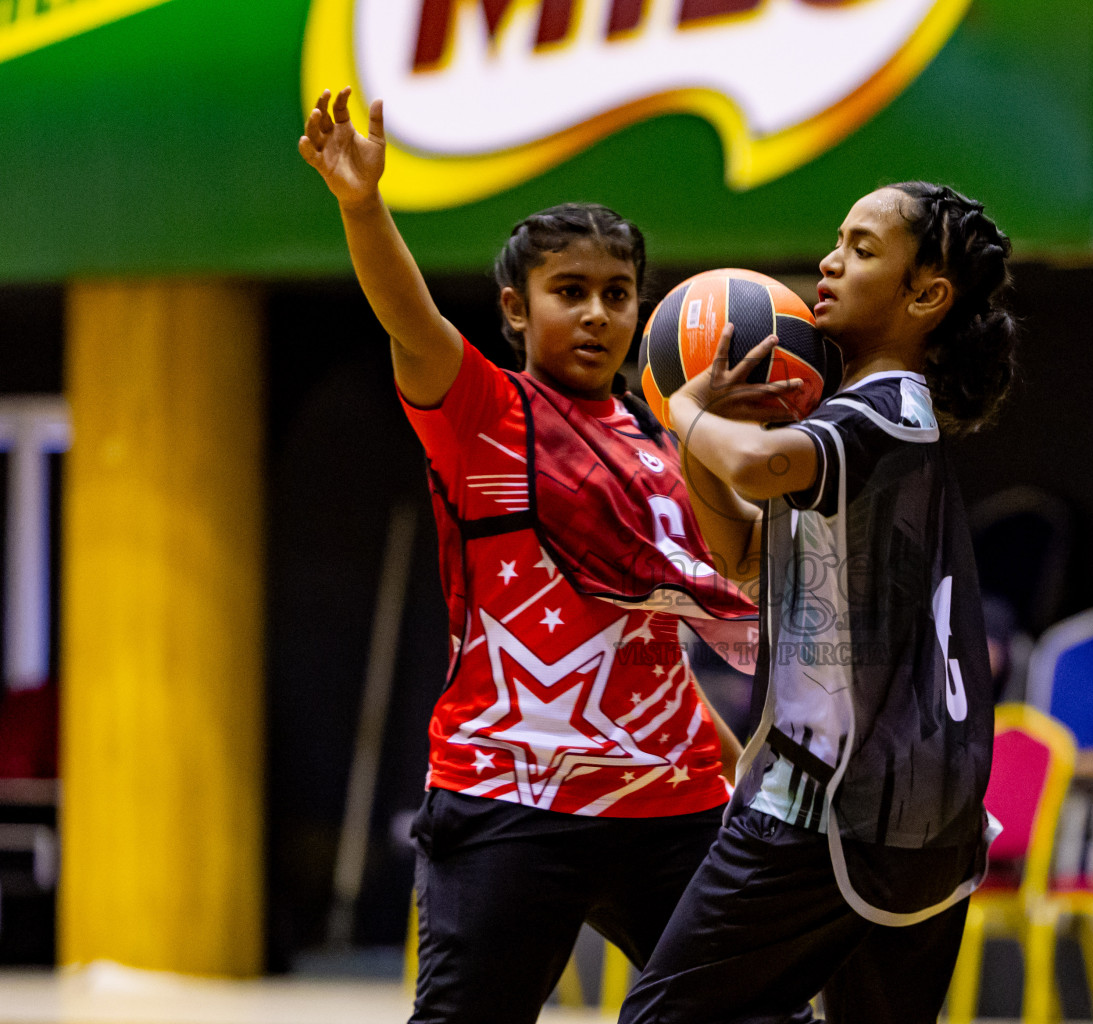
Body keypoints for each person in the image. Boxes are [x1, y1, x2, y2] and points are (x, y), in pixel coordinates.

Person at [298, 88, 757, 1024]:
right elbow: (410, 317)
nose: (596, 314)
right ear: (515, 306)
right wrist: (361, 204)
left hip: (670, 802)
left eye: (617, 295)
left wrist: (727, 746)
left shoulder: (656, 440)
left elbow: (645, 628)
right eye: (570, 291)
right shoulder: (480, 414)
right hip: (511, 799)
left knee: (755, 1010)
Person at [617, 183, 1016, 1024]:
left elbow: (758, 467)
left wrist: (684, 409)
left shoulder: (886, 413)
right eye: (838, 240)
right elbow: (745, 557)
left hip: (828, 805)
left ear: (927, 296)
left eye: (864, 248)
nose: (831, 261)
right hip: (919, 814)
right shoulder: (865, 424)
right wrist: (702, 443)